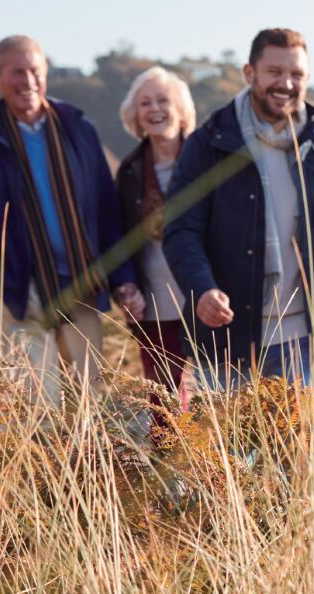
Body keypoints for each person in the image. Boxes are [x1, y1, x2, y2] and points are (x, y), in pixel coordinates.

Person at [163, 28, 314, 389]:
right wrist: (201, 288)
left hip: (305, 343)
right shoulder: (208, 144)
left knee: (303, 447)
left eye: (296, 74)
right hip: (227, 343)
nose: (285, 83)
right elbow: (181, 230)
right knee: (230, 448)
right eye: (274, 72)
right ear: (249, 72)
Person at [0, 35, 143, 408]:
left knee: (88, 403)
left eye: (35, 70)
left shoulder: (79, 130)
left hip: (82, 285)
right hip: (23, 294)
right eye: (18, 72)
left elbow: (106, 211)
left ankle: (86, 467)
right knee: (36, 408)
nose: (29, 81)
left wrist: (123, 279)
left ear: (46, 72)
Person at [116, 67, 196, 416]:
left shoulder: (205, 161)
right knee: (164, 404)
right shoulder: (130, 170)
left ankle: (220, 470)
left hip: (206, 297)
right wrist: (124, 286)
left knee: (220, 395)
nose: (154, 109)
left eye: (163, 100)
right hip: (155, 304)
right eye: (145, 103)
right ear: (136, 116)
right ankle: (170, 466)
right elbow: (117, 235)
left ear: (180, 109)